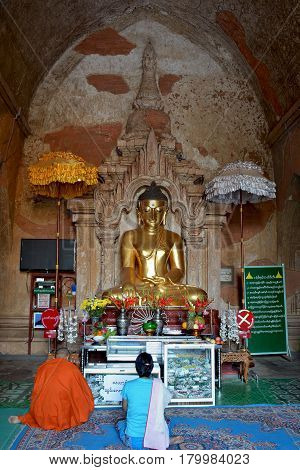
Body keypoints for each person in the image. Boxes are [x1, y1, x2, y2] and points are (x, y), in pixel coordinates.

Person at [102, 181, 207, 306]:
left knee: (199, 295)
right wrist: (128, 283)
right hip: (139, 287)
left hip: (165, 288)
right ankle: (153, 299)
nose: (152, 215)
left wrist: (166, 280)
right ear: (139, 212)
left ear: (165, 213)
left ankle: (154, 299)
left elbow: (178, 269)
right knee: (109, 296)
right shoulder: (130, 236)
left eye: (158, 211)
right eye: (147, 210)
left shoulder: (174, 238)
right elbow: (127, 267)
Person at [8, 349, 94, 431]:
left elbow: (36, 390)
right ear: (68, 357)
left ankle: (26, 418)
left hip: (44, 412)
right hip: (63, 411)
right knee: (78, 394)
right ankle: (61, 420)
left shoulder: (43, 367)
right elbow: (82, 389)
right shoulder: (72, 368)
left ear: (54, 357)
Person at [116, 352, 172, 450]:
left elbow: (125, 408)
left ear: (136, 367)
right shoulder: (159, 385)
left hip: (134, 440)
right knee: (165, 420)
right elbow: (162, 407)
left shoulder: (128, 385)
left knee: (120, 424)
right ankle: (166, 441)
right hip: (155, 438)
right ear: (151, 368)